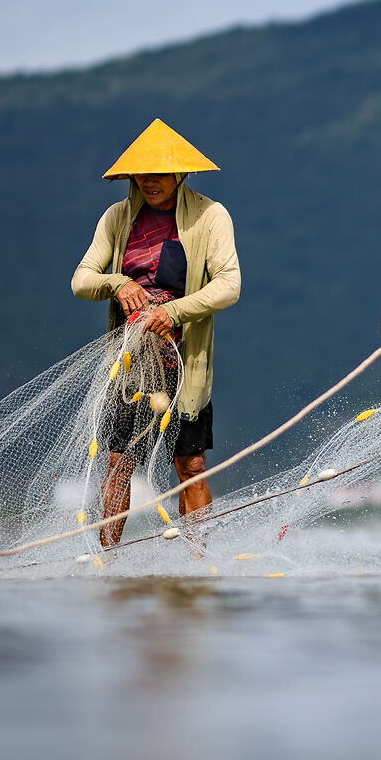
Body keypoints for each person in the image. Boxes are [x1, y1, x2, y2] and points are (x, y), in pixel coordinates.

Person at [70, 119, 242, 547]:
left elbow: (229, 284)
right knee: (119, 462)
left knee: (192, 465)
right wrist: (118, 283)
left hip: (186, 362)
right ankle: (108, 563)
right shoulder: (117, 219)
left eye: (159, 173)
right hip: (131, 365)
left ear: (179, 174)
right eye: (142, 173)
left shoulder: (209, 215)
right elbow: (81, 280)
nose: (150, 181)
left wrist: (175, 311)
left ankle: (197, 566)